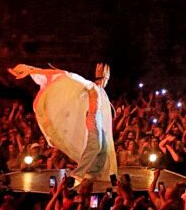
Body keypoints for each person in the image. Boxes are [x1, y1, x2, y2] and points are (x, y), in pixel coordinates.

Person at [7, 61, 117, 190]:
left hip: (96, 118)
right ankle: (77, 175)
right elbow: (67, 75)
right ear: (102, 78)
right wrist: (32, 70)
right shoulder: (91, 86)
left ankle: (91, 174)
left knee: (103, 149)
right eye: (106, 79)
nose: (106, 82)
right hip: (92, 118)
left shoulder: (101, 92)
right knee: (95, 146)